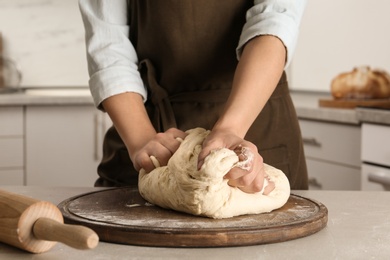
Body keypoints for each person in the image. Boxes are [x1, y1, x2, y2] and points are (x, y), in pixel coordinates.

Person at [78, 0, 309, 192]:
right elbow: (108, 44)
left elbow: (274, 24)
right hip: (141, 126)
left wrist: (231, 128)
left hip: (255, 123)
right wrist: (140, 139)